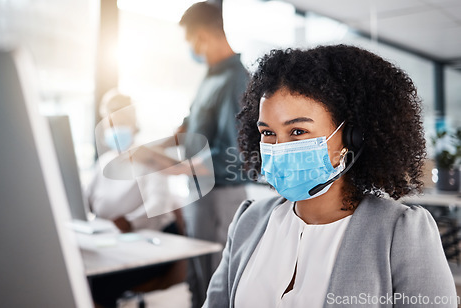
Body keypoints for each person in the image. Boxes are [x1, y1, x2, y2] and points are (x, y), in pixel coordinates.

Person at [204, 45, 457, 307]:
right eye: (268, 133)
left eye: (298, 132)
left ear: (351, 138)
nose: (278, 148)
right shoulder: (249, 220)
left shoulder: (402, 231)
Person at [175, 2, 251, 307]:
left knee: (217, 288)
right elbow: (194, 128)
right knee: (198, 284)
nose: (190, 49)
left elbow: (233, 156)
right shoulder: (210, 77)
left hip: (220, 196)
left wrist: (177, 168)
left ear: (204, 35)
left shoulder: (236, 81)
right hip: (199, 194)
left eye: (190, 40)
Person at [86, 89, 184, 308]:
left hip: (151, 244)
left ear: (133, 122)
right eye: (110, 121)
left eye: (121, 119)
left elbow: (158, 204)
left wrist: (130, 222)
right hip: (113, 245)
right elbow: (86, 199)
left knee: (98, 286)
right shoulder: (104, 162)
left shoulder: (146, 156)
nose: (115, 127)